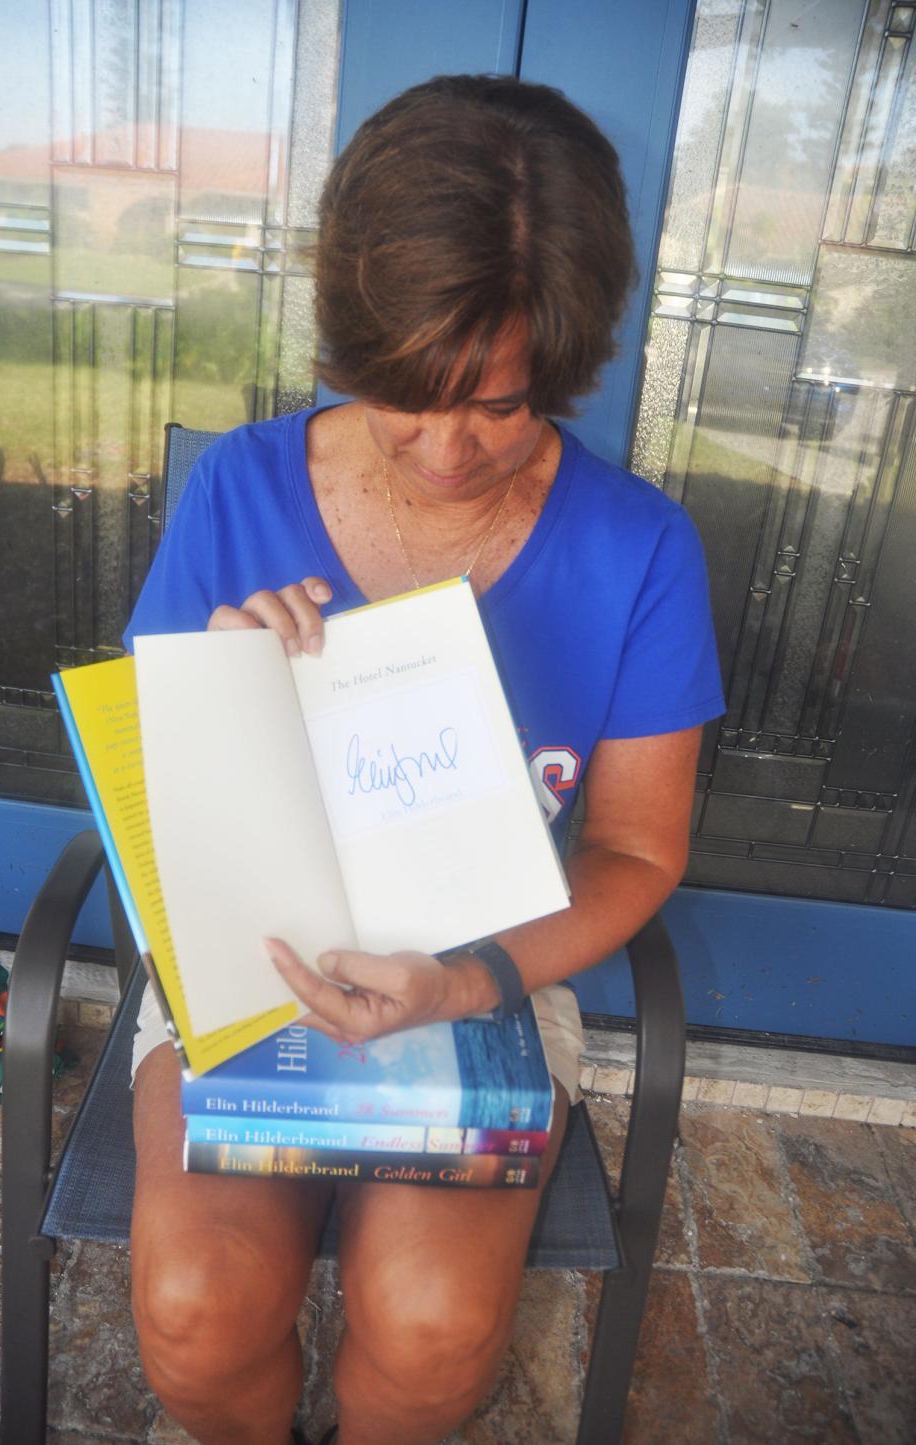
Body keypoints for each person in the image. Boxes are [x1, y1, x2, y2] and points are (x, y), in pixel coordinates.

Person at [124, 74, 724, 1445]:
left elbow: (636, 848)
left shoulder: (638, 551)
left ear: (568, 371)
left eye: (505, 407)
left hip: (491, 970)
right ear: (351, 341)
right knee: (191, 1303)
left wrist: (465, 975)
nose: (451, 450)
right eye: (408, 394)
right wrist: (220, 684)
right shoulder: (241, 490)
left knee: (436, 1327)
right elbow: (155, 813)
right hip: (251, 957)